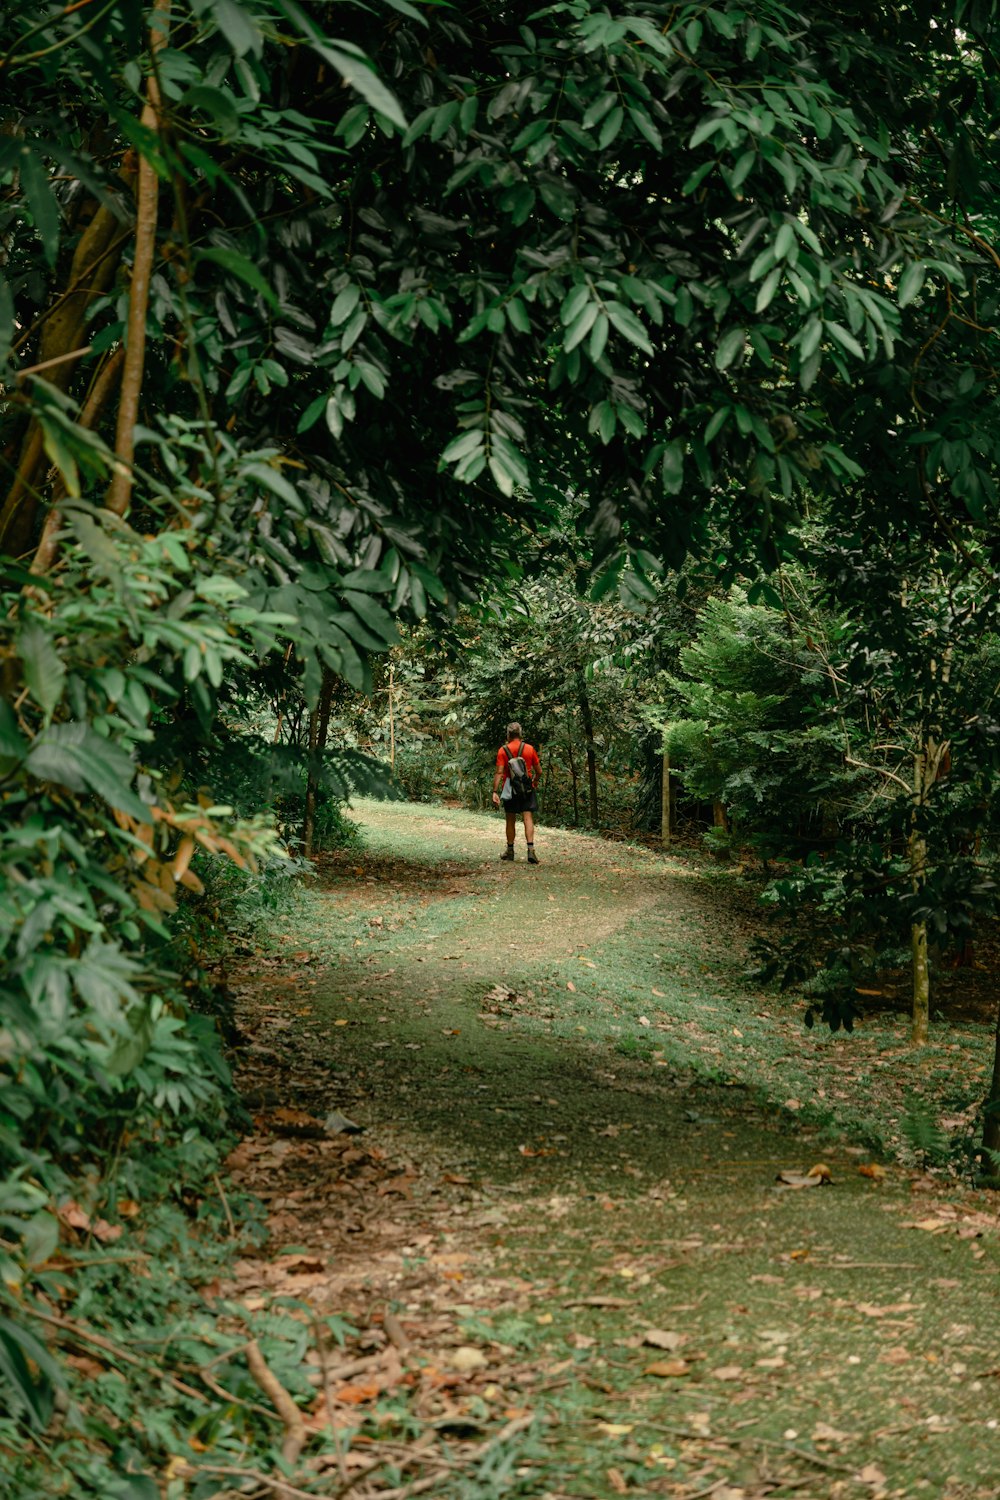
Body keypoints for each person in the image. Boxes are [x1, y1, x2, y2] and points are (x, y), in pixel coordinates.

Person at [492, 721, 541, 863]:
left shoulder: (503, 750)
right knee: (528, 817)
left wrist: (495, 791)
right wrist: (535, 781)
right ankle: (531, 850)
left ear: (508, 734)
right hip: (527, 787)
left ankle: (510, 850)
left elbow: (499, 772)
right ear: (520, 734)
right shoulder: (530, 749)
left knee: (510, 819)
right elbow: (539, 771)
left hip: (510, 788)